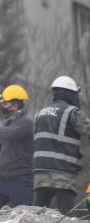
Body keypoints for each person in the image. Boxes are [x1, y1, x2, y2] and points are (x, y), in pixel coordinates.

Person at [33, 76, 90, 214]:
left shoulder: (39, 113)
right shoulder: (73, 112)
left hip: (41, 174)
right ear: (70, 94)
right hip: (63, 176)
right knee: (65, 215)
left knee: (37, 214)